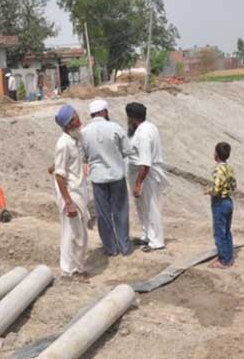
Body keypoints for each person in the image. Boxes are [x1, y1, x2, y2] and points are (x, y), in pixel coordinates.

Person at [81, 99, 133, 256]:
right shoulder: (115, 127)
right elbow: (127, 151)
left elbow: (83, 157)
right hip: (117, 176)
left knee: (103, 214)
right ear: (104, 112)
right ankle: (125, 246)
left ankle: (110, 248)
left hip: (98, 178)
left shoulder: (84, 132)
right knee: (121, 211)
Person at [51, 104, 91, 277]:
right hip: (71, 194)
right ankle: (68, 270)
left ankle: (77, 268)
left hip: (79, 192)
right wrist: (68, 203)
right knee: (71, 234)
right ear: (68, 124)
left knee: (80, 234)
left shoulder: (75, 139)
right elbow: (59, 176)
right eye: (75, 117)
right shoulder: (63, 144)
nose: (79, 120)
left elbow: (62, 166)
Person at [125, 102, 166, 253]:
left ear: (132, 118)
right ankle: (147, 235)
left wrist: (138, 183)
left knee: (151, 206)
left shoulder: (143, 133)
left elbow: (145, 162)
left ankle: (156, 241)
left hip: (145, 174)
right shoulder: (148, 127)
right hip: (140, 172)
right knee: (142, 207)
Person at [205, 142, 237, 268]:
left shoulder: (218, 169)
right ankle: (228, 257)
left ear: (216, 155)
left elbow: (217, 188)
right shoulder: (229, 168)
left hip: (220, 202)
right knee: (227, 231)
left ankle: (222, 260)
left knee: (219, 232)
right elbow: (234, 185)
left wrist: (209, 191)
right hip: (228, 201)